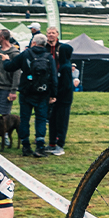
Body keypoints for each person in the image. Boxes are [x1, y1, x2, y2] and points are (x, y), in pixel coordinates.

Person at [3, 33, 57, 157]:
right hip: (43, 92)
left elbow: (10, 67)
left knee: (25, 119)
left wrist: (5, 60)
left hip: (26, 92)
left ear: (33, 42)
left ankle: (26, 146)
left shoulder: (26, 54)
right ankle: (40, 146)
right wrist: (53, 94)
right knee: (41, 119)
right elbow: (54, 77)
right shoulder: (49, 57)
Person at [44, 27, 74, 155]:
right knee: (53, 119)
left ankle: (59, 144)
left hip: (63, 99)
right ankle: (52, 143)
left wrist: (56, 94)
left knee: (61, 120)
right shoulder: (63, 66)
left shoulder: (65, 68)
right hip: (58, 97)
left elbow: (66, 86)